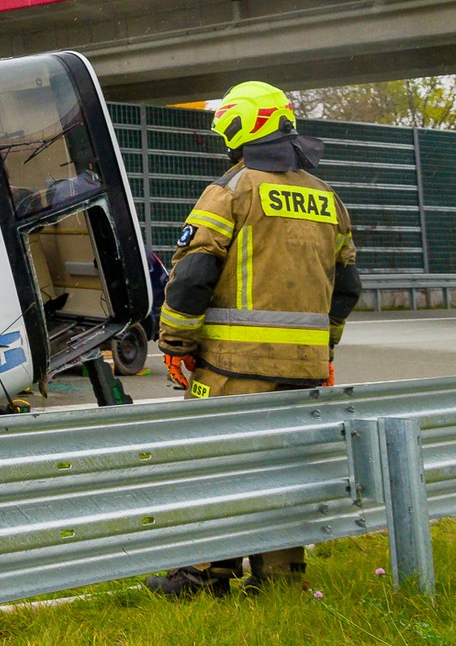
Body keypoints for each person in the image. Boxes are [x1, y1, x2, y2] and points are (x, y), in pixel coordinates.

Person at [144, 81, 361, 599]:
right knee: (286, 466)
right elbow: (347, 287)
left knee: (218, 462)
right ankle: (280, 581)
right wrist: (323, 350)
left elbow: (193, 275)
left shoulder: (232, 190)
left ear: (243, 128)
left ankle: (202, 575)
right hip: (303, 371)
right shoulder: (327, 198)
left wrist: (175, 345)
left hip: (232, 367)